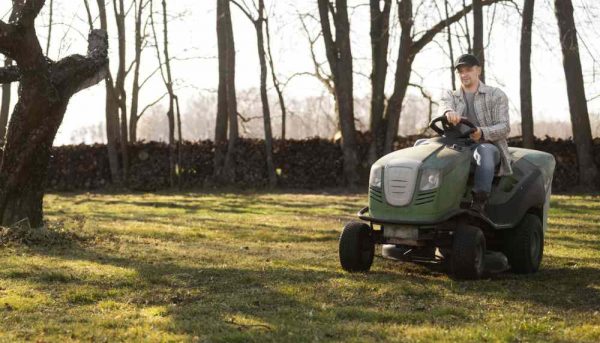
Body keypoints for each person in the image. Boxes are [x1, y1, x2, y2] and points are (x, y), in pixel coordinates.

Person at [438, 54, 512, 214]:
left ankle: (479, 201)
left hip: (488, 145)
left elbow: (505, 127)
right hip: (457, 146)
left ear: (478, 70)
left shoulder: (496, 95)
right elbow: (444, 105)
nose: (464, 74)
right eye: (460, 71)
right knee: (421, 146)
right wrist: (449, 112)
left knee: (483, 151)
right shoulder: (451, 95)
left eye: (468, 70)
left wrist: (482, 132)